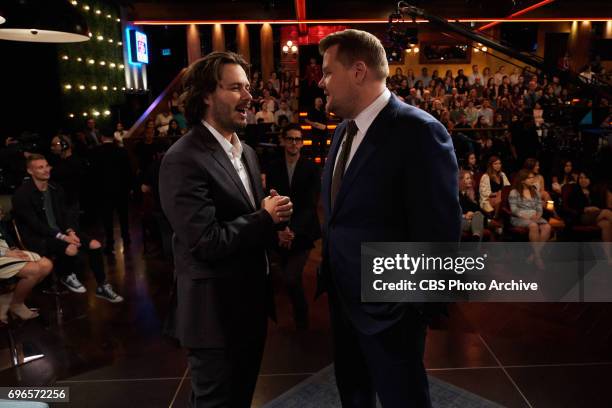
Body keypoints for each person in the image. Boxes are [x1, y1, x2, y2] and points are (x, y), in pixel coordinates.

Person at [317, 29, 461, 407]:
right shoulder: (343, 131)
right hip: (343, 298)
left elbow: (439, 228)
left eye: (329, 72)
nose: (321, 81)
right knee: (354, 394)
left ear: (359, 71)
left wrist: (413, 308)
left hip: (391, 311)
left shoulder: (420, 131)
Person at [159, 51, 294, 408]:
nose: (249, 97)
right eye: (236, 88)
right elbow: (205, 241)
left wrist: (272, 224)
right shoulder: (182, 158)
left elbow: (240, 218)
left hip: (249, 306)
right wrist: (263, 218)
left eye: (248, 87)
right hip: (213, 317)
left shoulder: (246, 151)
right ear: (206, 94)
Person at [12, 154, 123, 302]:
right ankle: (65, 275)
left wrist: (70, 231)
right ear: (30, 171)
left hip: (60, 233)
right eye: (40, 167)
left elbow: (64, 216)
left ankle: (102, 287)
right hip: (38, 238)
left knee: (95, 245)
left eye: (47, 166)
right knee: (71, 248)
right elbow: (36, 225)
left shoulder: (55, 188)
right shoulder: (22, 194)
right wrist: (64, 237)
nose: (46, 170)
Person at [265, 124, 321, 329]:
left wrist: (292, 231)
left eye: (298, 140)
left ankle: (302, 314)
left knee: (290, 278)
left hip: (303, 232)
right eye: (290, 139)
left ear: (302, 143)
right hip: (279, 231)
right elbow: (271, 200)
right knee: (275, 273)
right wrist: (280, 231)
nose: (294, 143)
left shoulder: (312, 168)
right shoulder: (273, 167)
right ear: (283, 141)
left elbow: (309, 205)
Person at [0, 205, 52, 323]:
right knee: (34, 270)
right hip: (2, 254)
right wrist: (5, 252)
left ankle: (9, 298)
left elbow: (4, 234)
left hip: (6, 251)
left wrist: (12, 249)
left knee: (46, 264)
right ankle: (16, 304)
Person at [90, 133, 133, 253]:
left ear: (102, 137)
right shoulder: (121, 151)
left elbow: (92, 174)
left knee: (107, 218)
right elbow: (128, 171)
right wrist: (129, 187)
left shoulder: (96, 152)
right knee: (123, 216)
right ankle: (126, 239)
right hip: (121, 190)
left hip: (104, 191)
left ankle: (109, 243)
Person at [508, 169, 551, 269]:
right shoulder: (514, 192)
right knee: (533, 226)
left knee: (547, 227)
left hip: (535, 217)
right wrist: (528, 217)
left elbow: (539, 208)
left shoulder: (535, 192)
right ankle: (538, 258)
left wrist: (538, 215)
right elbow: (514, 210)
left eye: (533, 177)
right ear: (523, 180)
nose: (532, 179)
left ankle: (534, 256)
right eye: (530, 178)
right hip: (519, 218)